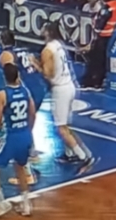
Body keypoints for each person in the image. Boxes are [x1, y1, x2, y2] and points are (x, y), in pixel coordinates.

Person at [30, 22, 98, 175]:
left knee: (61, 128)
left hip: (60, 89)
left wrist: (35, 64)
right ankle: (69, 154)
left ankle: (83, 158)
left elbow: (48, 75)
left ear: (48, 32)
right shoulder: (58, 45)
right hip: (69, 85)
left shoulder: (47, 50)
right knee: (66, 125)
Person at [0, 63, 35, 219]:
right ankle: (26, 205)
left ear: (4, 77)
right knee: (20, 168)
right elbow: (32, 113)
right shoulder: (26, 91)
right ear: (18, 76)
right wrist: (28, 130)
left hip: (10, 136)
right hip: (25, 135)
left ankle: (1, 203)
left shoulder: (1, 94)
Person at [0, 29, 47, 185]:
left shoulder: (6, 55)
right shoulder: (24, 51)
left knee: (17, 127)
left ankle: (27, 173)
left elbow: (13, 77)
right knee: (24, 124)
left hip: (28, 90)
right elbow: (36, 66)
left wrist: (15, 95)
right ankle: (32, 153)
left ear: (1, 41)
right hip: (39, 87)